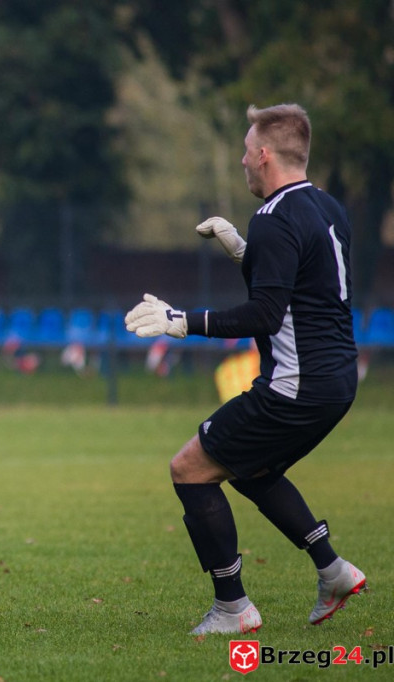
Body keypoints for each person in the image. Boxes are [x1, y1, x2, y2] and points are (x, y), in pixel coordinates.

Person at [124, 103, 365, 635]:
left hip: (294, 386)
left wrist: (180, 322)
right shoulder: (328, 207)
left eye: (246, 150)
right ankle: (333, 571)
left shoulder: (275, 218)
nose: (241, 161)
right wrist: (243, 251)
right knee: (251, 469)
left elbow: (264, 314)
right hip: (337, 380)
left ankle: (233, 607)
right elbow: (302, 284)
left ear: (264, 155)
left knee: (190, 469)